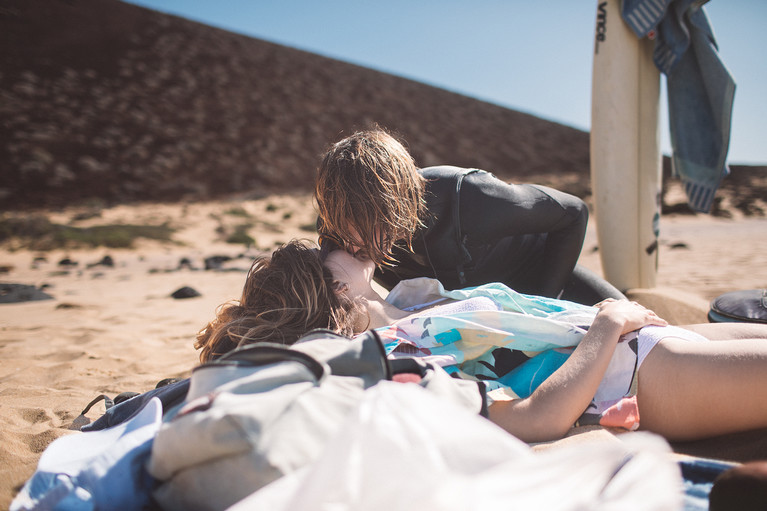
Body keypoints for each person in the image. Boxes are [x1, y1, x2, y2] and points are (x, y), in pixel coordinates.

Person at [197, 239, 767, 445]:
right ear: (331, 290)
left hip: (644, 346)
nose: (332, 242)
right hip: (640, 375)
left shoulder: (405, 319)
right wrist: (607, 323)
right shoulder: (401, 358)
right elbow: (536, 417)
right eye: (322, 253)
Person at [314, 128, 624, 304]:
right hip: (465, 309)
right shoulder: (336, 229)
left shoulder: (469, 197)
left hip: (537, 275)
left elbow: (574, 212)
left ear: (399, 199)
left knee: (644, 336)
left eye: (370, 223)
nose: (353, 244)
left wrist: (542, 303)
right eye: (344, 228)